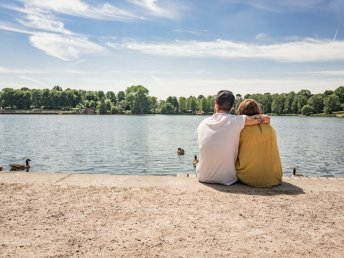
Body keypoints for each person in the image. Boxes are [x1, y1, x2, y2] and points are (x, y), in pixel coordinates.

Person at [196, 90, 270, 185]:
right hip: (227, 179)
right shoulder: (236, 121)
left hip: (203, 177)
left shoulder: (203, 123)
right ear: (231, 107)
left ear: (216, 105)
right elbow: (267, 118)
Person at [236, 99, 282, 187]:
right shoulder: (270, 128)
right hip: (274, 178)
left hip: (249, 178)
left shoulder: (242, 130)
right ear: (257, 110)